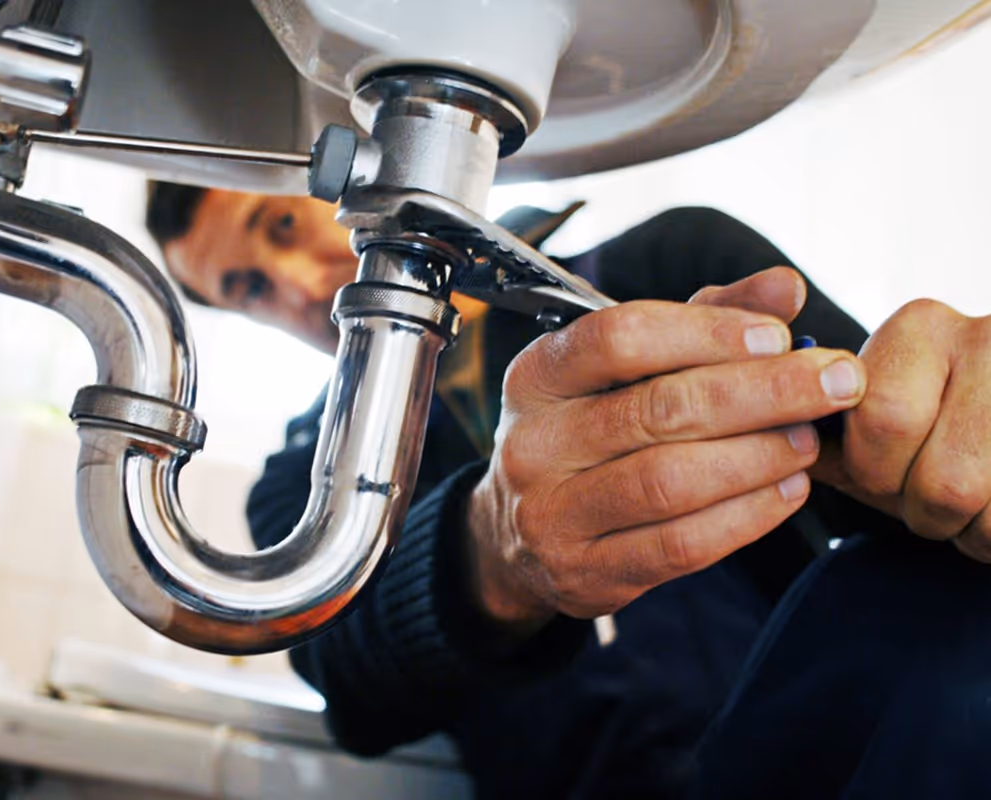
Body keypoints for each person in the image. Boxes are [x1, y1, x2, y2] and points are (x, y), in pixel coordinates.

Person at [147, 182, 991, 799]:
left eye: (283, 224)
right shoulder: (306, 480)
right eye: (247, 289)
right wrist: (491, 552)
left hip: (844, 753)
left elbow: (908, 473)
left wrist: (952, 421)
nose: (295, 285)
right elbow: (355, 690)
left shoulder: (668, 269)